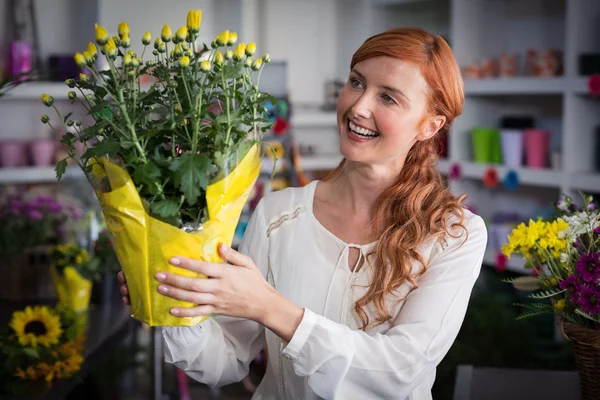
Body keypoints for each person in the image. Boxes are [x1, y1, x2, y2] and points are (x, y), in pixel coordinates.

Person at [118, 27, 487, 400]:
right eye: (356, 82)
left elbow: (398, 371)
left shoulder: (455, 234)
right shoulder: (280, 214)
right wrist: (172, 296)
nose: (358, 106)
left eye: (388, 98)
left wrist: (269, 307)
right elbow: (225, 360)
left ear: (430, 125)